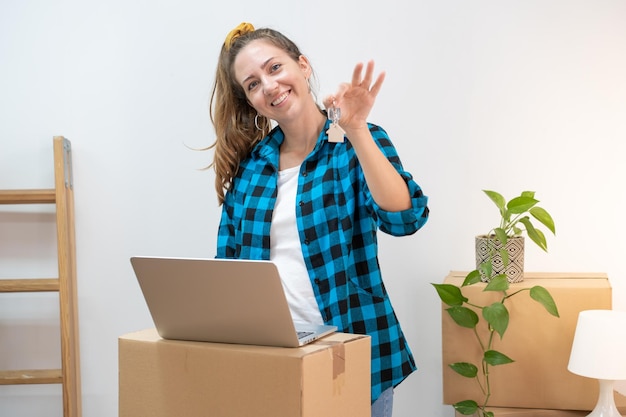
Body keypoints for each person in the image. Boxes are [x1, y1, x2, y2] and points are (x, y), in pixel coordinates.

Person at [207, 22, 429, 417]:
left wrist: (356, 129)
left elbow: (405, 218)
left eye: (274, 68)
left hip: (351, 353)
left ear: (303, 65)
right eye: (253, 84)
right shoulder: (250, 171)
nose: (269, 86)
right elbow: (230, 271)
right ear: (250, 100)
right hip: (273, 360)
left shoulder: (354, 143)